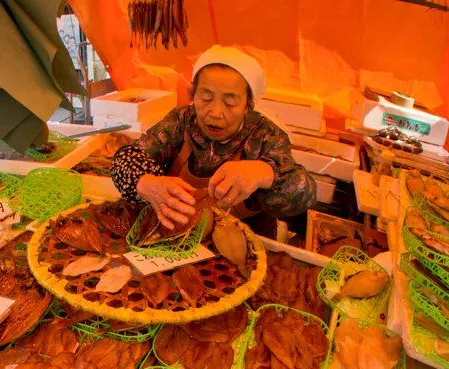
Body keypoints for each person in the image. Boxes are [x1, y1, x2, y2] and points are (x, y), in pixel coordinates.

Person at [110, 45, 316, 237]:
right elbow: (126, 159)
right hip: (178, 236)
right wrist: (146, 183)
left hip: (245, 244)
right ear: (193, 94)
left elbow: (304, 195)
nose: (216, 112)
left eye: (230, 102)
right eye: (206, 98)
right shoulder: (180, 122)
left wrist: (264, 173)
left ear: (248, 105)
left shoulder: (265, 136)